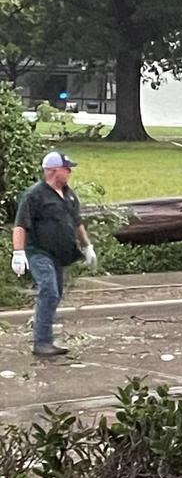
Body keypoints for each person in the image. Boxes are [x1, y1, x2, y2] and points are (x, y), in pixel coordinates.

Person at [10, 151, 98, 357]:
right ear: (52, 171)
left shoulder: (69, 194)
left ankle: (43, 330)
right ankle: (42, 342)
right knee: (49, 290)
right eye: (66, 168)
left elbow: (77, 222)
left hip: (59, 255)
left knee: (55, 294)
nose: (69, 172)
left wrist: (86, 246)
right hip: (39, 252)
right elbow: (20, 225)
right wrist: (18, 252)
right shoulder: (35, 195)